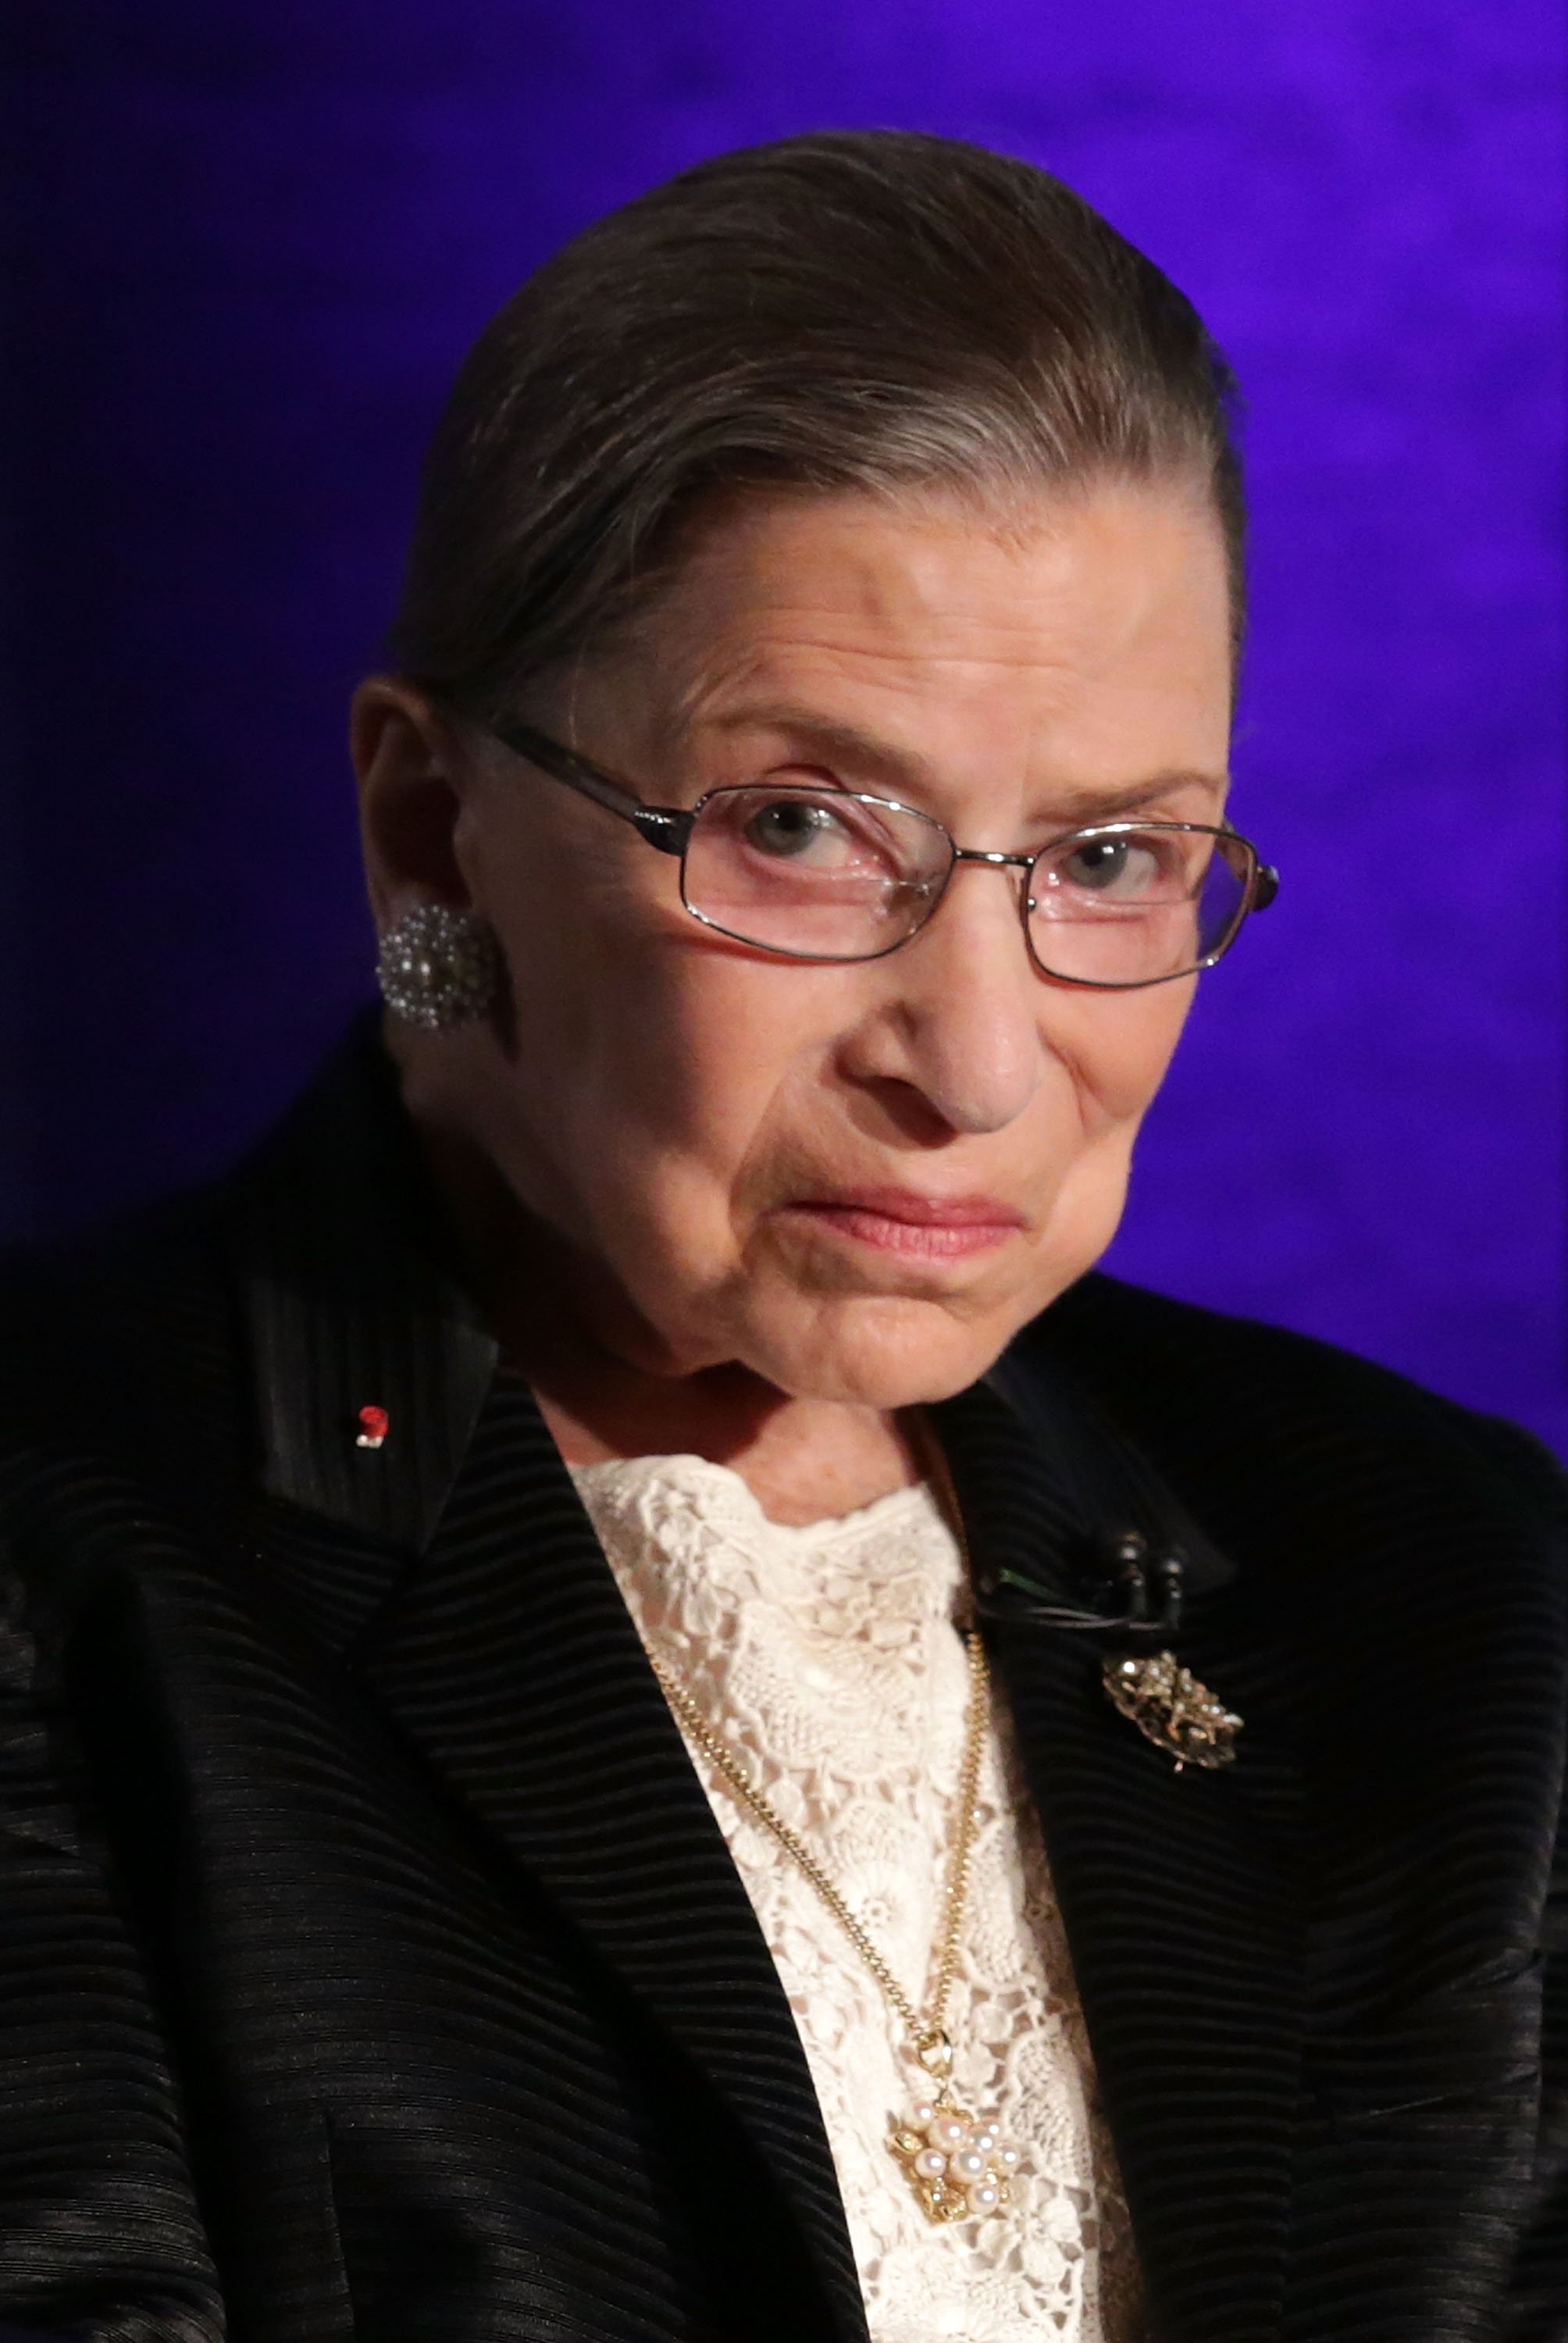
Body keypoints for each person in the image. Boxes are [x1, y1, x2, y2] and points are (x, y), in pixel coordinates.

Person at [0, 130, 1561, 2343]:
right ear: (429, 833)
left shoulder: (1451, 1590)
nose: (986, 1062)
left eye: (1113, 858)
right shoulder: (63, 1574)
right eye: (809, 828)